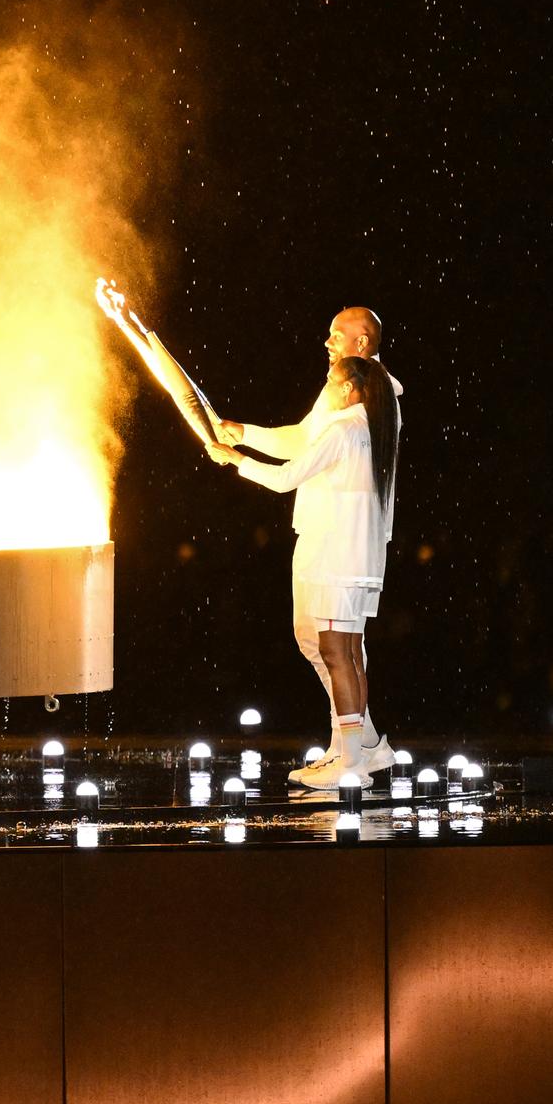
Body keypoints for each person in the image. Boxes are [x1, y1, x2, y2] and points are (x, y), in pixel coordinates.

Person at [206, 307, 403, 790]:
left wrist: (236, 461)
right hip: (336, 541)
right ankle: (360, 744)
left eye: (337, 334)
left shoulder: (367, 408)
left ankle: (353, 754)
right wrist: (246, 435)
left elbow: (295, 467)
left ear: (361, 345)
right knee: (330, 644)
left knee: (334, 647)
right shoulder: (358, 406)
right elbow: (303, 440)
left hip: (338, 544)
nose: (327, 341)